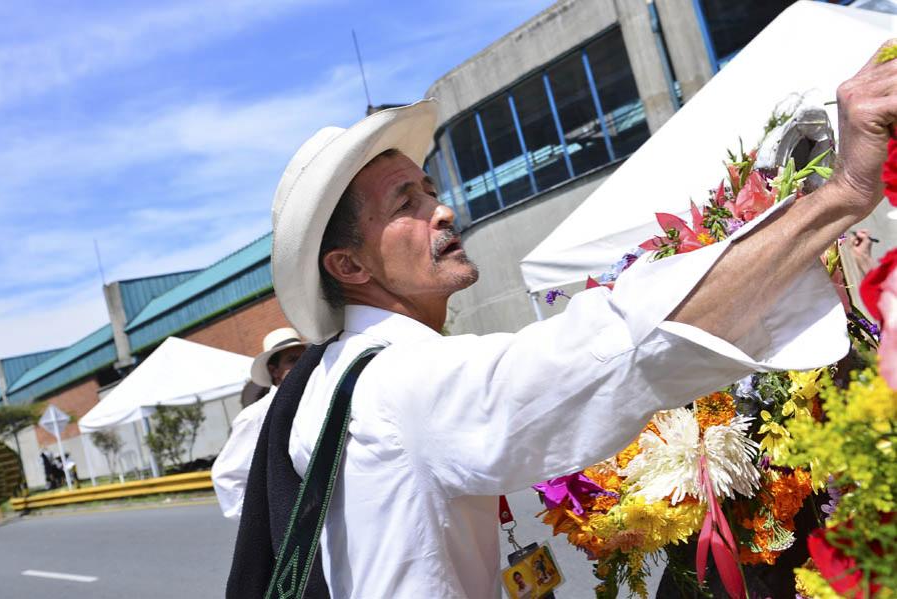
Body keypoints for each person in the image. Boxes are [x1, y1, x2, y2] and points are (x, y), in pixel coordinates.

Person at [235, 42, 896, 597]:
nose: (441, 211)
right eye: (406, 202)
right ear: (350, 267)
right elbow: (615, 348)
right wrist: (842, 193)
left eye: (433, 190)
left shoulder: (328, 381)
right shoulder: (400, 385)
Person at [212, 328, 307, 519]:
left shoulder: (314, 403)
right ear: (274, 371)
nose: (303, 367)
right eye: (293, 360)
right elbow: (226, 477)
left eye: (305, 359)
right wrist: (263, 523)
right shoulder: (256, 417)